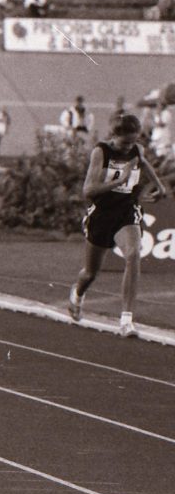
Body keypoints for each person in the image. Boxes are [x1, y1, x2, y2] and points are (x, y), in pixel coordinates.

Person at [68, 113, 169, 337]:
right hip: (102, 214)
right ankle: (77, 293)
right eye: (124, 143)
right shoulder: (101, 152)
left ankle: (126, 320)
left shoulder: (136, 149)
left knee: (134, 254)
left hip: (127, 211)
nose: (128, 148)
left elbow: (143, 163)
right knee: (90, 273)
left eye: (133, 142)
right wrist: (120, 180)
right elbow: (88, 191)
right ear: (114, 136)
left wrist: (159, 186)